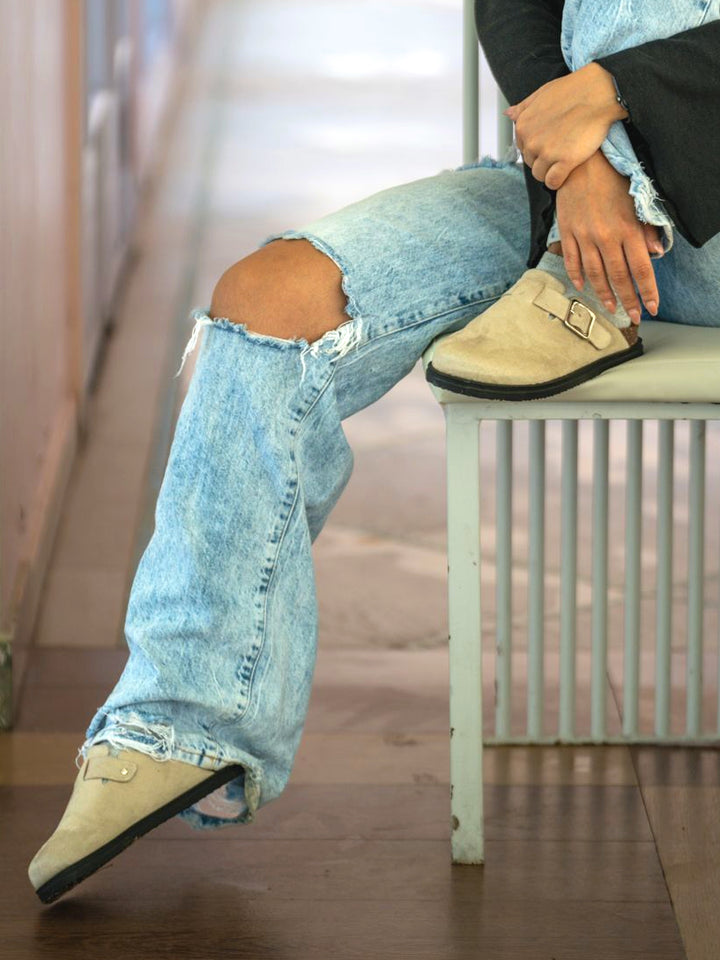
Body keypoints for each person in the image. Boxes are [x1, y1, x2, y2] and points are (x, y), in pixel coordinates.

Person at [28, 0, 720, 903]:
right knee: (265, 302)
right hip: (572, 194)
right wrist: (583, 167)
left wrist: (613, 91)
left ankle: (588, 266)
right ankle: (180, 725)